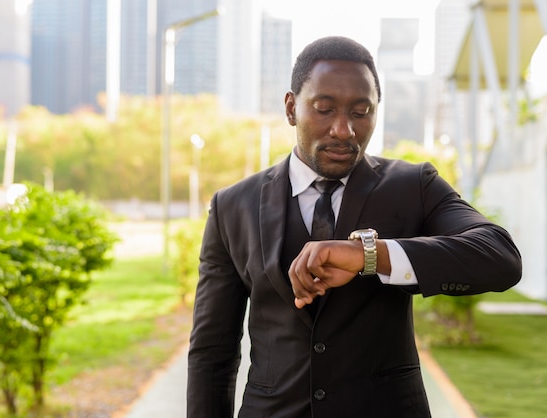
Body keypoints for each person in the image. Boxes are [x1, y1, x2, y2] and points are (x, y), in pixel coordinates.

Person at [187, 36, 521, 418]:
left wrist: (371, 256)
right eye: (324, 109)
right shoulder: (232, 205)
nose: (343, 130)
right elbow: (212, 351)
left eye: (361, 112)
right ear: (292, 108)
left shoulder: (414, 185)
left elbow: (500, 256)